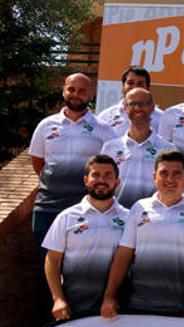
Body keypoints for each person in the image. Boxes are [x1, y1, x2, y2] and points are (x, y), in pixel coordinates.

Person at [101, 150, 184, 319]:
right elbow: (123, 255)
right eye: (164, 173)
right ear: (154, 177)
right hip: (139, 307)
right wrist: (109, 296)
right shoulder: (139, 208)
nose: (170, 179)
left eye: (177, 174)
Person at [30, 73, 114, 249]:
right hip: (48, 205)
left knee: (77, 259)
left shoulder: (103, 129)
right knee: (45, 259)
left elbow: (112, 167)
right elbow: (38, 161)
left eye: (82, 91)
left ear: (90, 94)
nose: (76, 94)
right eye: (71, 89)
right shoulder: (46, 125)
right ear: (63, 92)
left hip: (85, 207)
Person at [42, 155, 129, 320]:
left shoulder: (130, 218)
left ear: (117, 182)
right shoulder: (66, 217)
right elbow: (52, 260)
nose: (101, 180)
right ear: (85, 180)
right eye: (95, 175)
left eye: (108, 175)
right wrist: (58, 299)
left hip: (117, 308)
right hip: (74, 307)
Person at [100, 88, 174, 208]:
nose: (137, 108)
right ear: (125, 108)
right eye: (132, 104)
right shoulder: (110, 148)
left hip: (153, 217)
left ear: (152, 108)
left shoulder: (168, 149)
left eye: (142, 104)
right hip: (117, 217)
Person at [97, 66, 163, 137]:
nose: (135, 87)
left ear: (147, 88)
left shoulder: (161, 117)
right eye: (130, 83)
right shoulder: (106, 117)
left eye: (140, 84)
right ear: (123, 87)